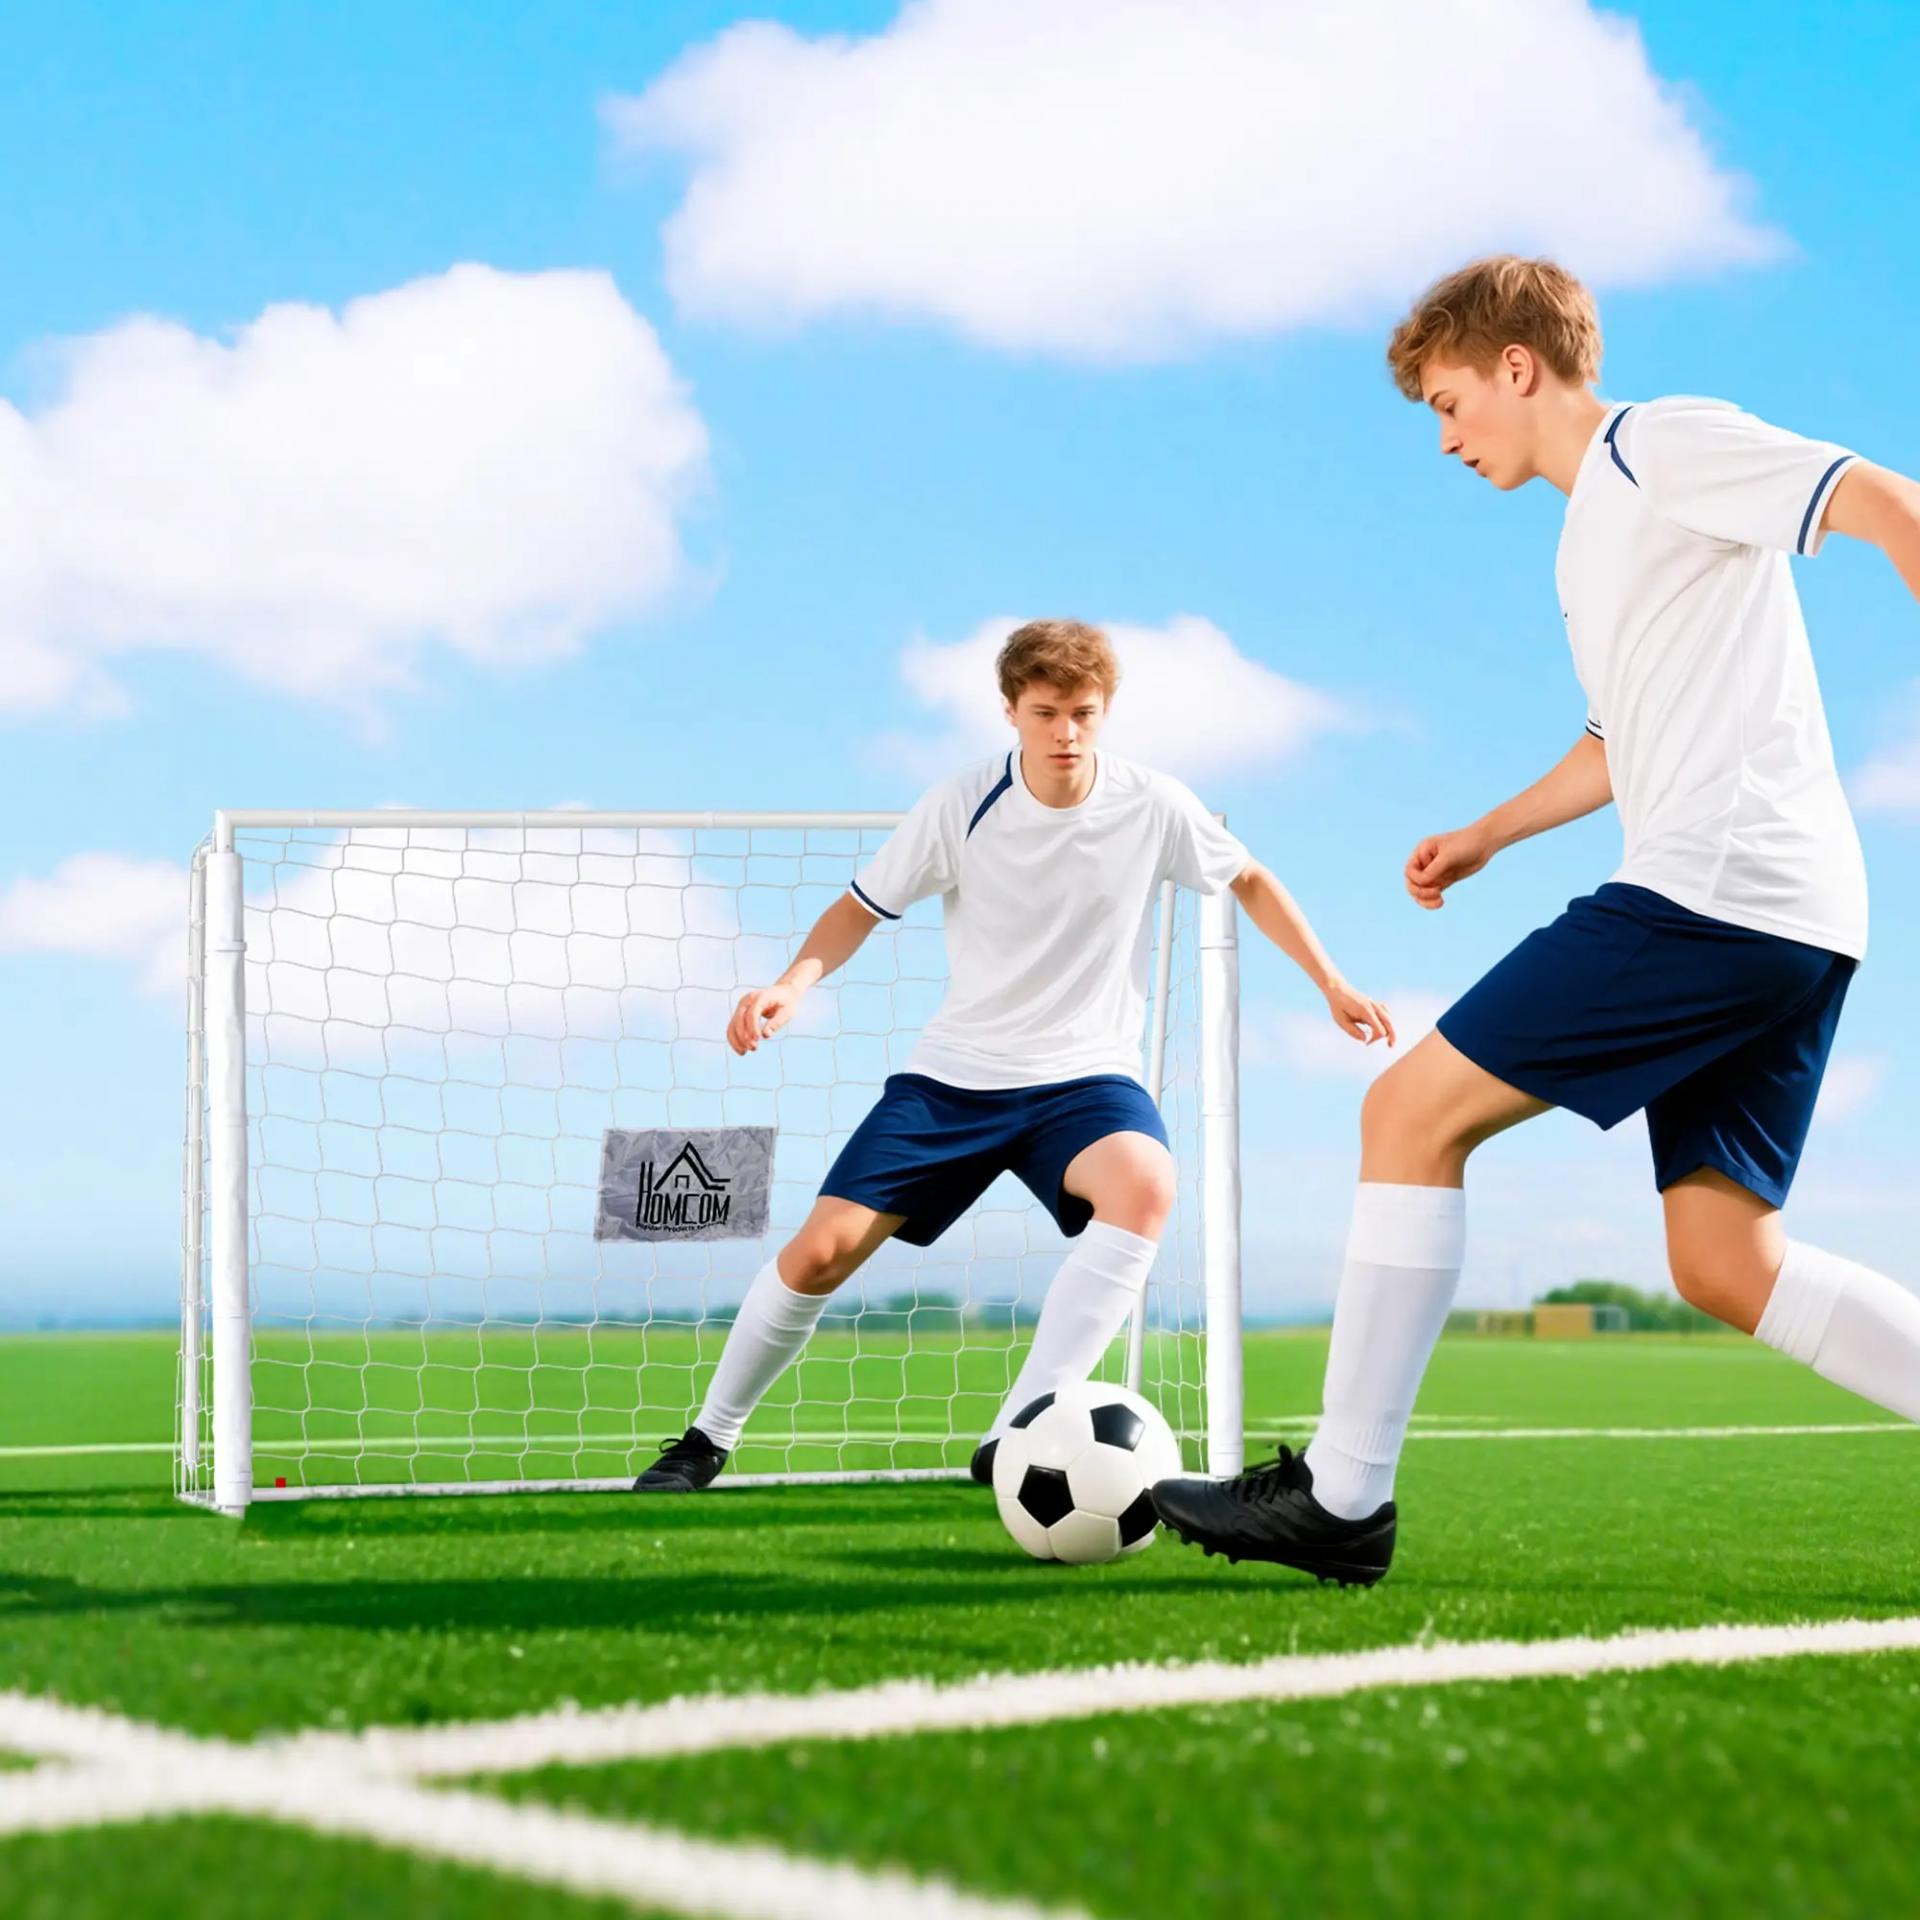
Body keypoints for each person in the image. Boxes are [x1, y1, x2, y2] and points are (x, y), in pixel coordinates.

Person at [1153, 254, 1920, 1585]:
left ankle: (1342, 1501)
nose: (1444, 437)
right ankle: (1341, 1497)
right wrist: (1488, 833)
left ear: (1518, 367)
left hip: (1714, 896)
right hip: (1791, 912)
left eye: (1449, 405)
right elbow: (1617, 743)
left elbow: (1888, 502)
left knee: (1406, 1112)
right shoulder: (1589, 545)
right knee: (1727, 1261)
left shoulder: (1659, 445)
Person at [636, 617, 1393, 1490]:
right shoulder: (961, 803)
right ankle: (705, 1440)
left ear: (1106, 711)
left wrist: (1330, 982)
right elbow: (861, 905)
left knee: (1145, 1183)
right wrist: (791, 983)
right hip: (955, 1078)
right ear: (1011, 711)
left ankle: (1019, 1431)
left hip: (1086, 1081)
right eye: (1045, 713)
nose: (1066, 732)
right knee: (820, 1253)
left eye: (1083, 712)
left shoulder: (1155, 804)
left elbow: (1251, 879)